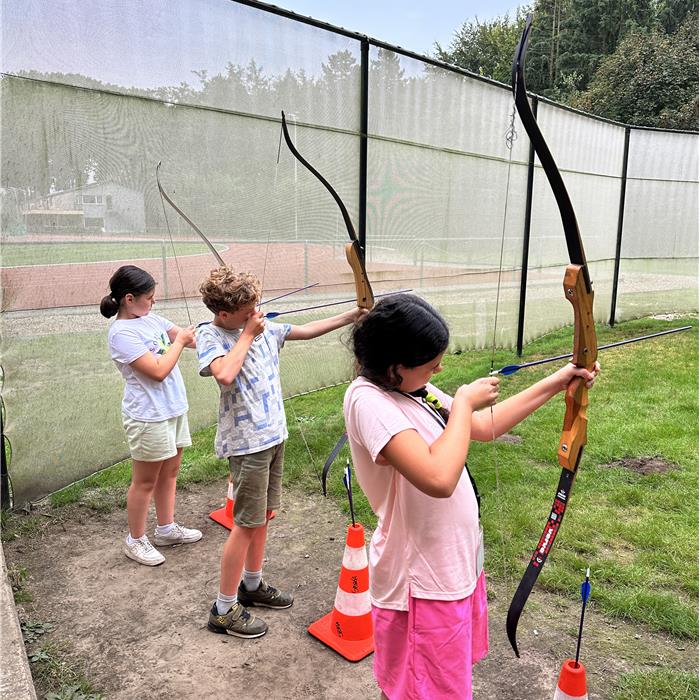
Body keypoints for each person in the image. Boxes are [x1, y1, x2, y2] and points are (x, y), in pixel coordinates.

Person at [343, 294, 599, 699]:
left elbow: (481, 426)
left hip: (449, 566)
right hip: (419, 584)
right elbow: (438, 477)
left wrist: (560, 380)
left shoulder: (412, 388)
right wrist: (462, 403)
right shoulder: (368, 401)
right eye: (431, 364)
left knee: (432, 685)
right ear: (395, 368)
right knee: (422, 689)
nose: (439, 369)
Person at [198, 266, 366, 639]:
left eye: (255, 306)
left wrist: (352, 315)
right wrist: (247, 334)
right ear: (225, 313)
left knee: (263, 517)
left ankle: (252, 585)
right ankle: (223, 609)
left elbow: (305, 330)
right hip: (247, 445)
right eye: (247, 310)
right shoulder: (211, 335)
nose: (256, 313)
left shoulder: (263, 329)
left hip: (274, 437)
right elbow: (224, 374)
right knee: (244, 525)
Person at [100, 265, 201, 567]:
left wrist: (224, 323)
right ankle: (135, 539)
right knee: (145, 481)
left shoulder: (151, 318)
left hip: (172, 409)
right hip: (148, 416)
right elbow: (157, 371)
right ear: (129, 299)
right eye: (150, 297)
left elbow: (190, 339)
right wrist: (180, 342)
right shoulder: (121, 333)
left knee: (169, 472)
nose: (154, 302)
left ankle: (166, 529)